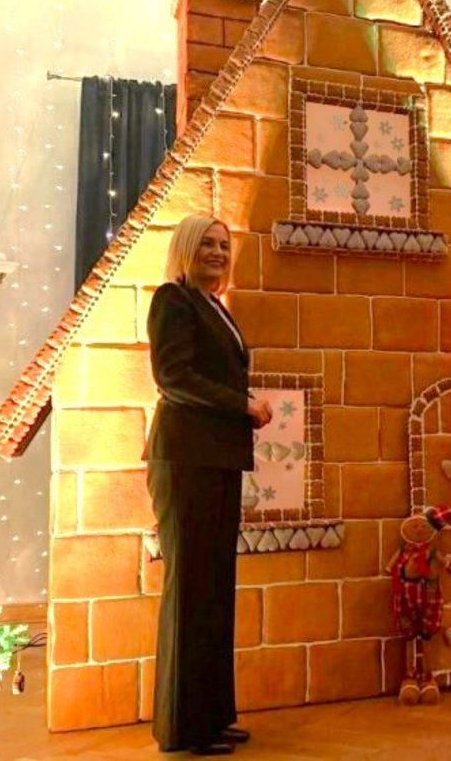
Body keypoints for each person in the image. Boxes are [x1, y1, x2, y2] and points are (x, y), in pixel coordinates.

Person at [144, 214, 273, 755]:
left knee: (215, 591)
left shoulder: (214, 305)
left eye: (224, 245)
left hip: (216, 459)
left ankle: (213, 716)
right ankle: (184, 729)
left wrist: (241, 408)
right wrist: (241, 404)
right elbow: (174, 377)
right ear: (186, 248)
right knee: (191, 593)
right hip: (186, 459)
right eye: (207, 244)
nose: (218, 252)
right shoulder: (172, 300)